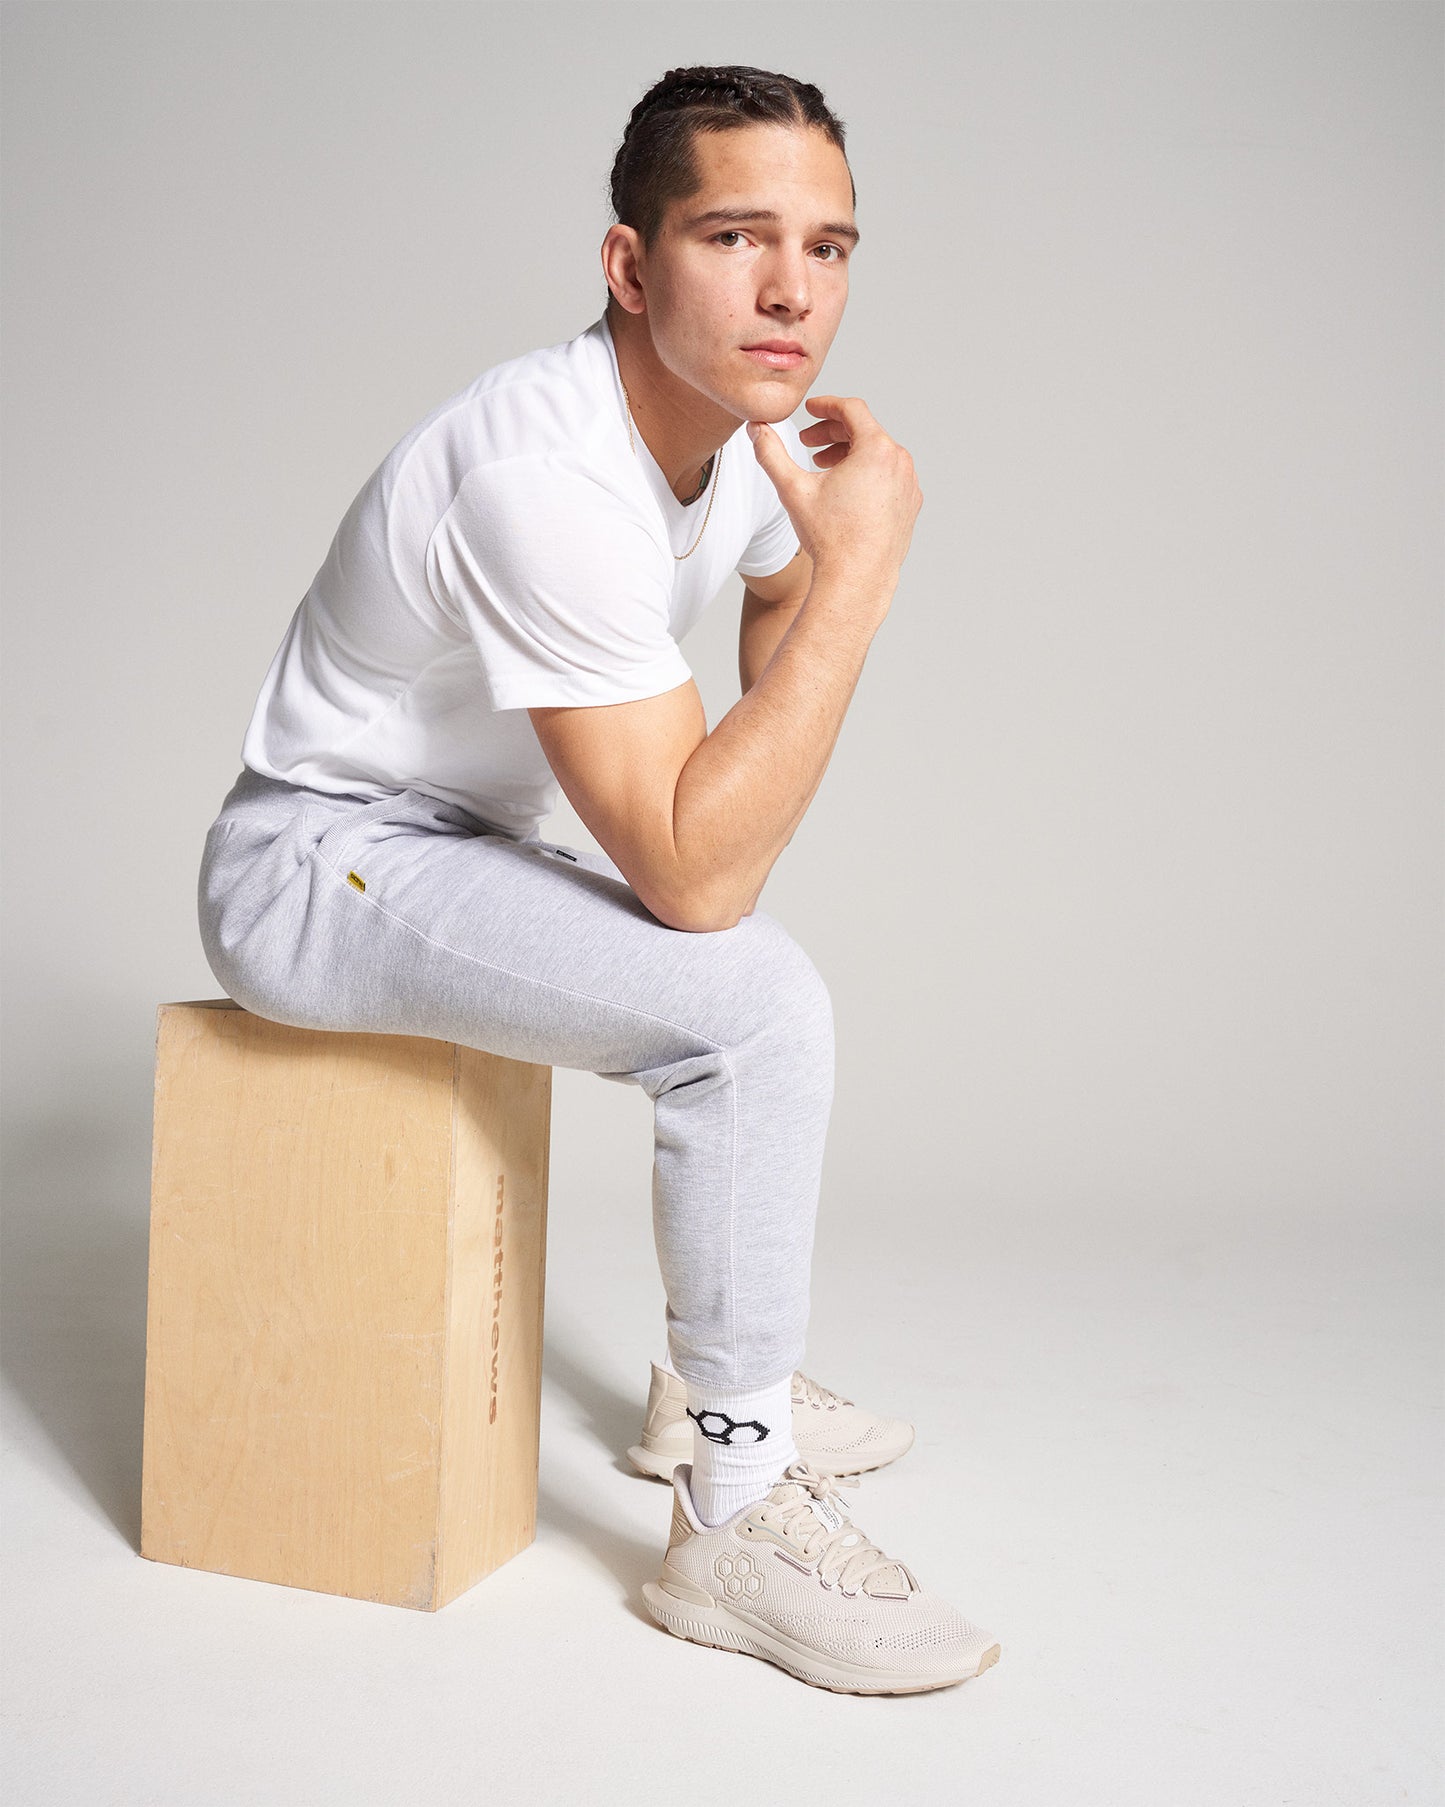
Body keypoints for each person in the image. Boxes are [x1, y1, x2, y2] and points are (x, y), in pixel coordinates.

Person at [197, 63, 1001, 1695]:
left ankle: (721, 1384)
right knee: (748, 1002)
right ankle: (735, 1504)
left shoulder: (734, 433)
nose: (791, 289)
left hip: (456, 843)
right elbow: (704, 875)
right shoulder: (544, 473)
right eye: (733, 236)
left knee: (734, 967)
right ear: (630, 267)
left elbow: (768, 665)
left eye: (830, 247)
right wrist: (869, 568)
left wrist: (815, 570)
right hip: (315, 861)